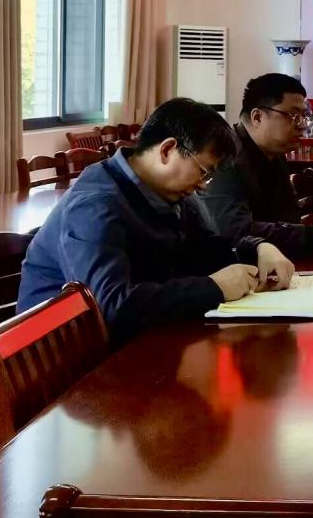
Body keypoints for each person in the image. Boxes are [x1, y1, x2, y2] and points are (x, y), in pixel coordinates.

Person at [18, 98, 296, 345]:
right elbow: (111, 307)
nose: (203, 185)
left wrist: (258, 248)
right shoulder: (95, 206)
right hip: (63, 359)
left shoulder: (168, 192)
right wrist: (214, 288)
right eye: (203, 172)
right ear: (167, 150)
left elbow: (203, 248)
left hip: (134, 342)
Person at [201, 73, 313, 254]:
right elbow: (235, 232)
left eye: (303, 116)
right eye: (293, 116)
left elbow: (288, 217)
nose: (302, 125)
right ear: (258, 117)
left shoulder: (274, 153)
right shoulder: (222, 158)